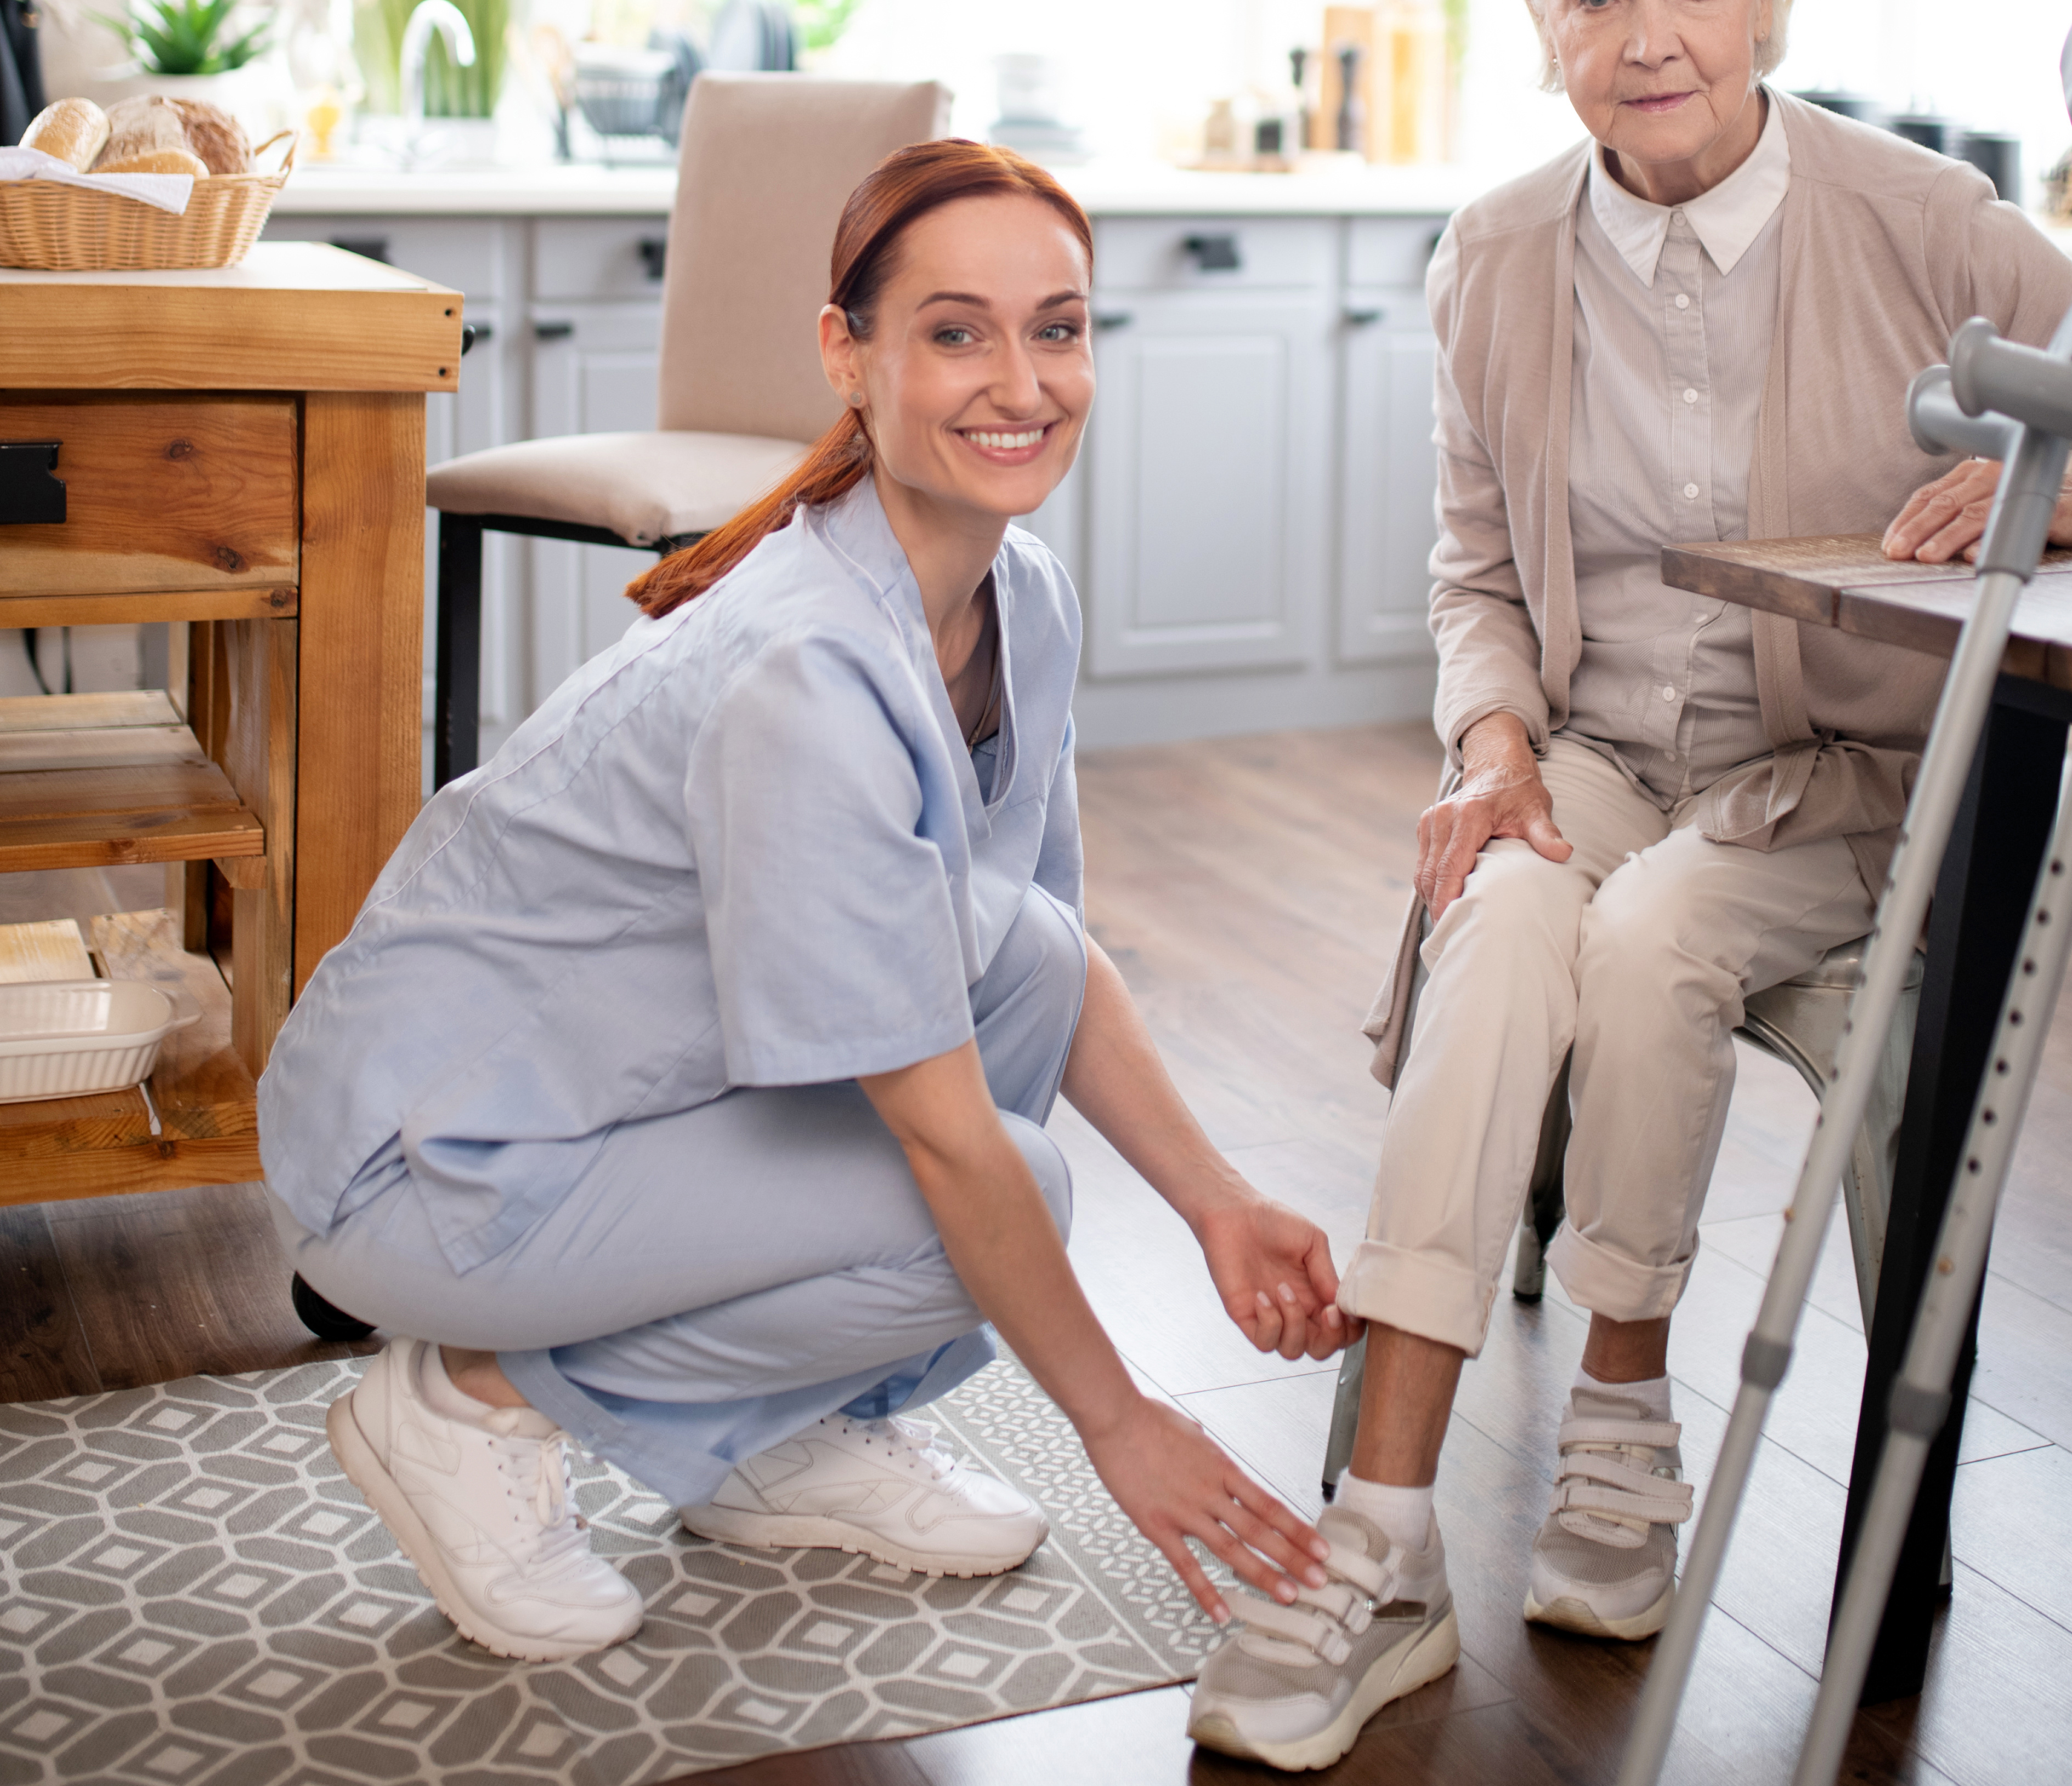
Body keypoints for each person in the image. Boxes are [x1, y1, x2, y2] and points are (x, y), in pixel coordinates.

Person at [1187, 0, 2072, 1773]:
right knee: (1511, 909)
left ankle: (1621, 1415)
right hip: (1594, 754)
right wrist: (1493, 747)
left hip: (1838, 779)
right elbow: (1472, 571)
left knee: (1658, 924)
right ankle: (1385, 1540)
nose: (1651, 33)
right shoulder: (1498, 251)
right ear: (1543, 32)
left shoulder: (1926, 217)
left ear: (1771, 3)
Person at [262, 139, 1354, 1666]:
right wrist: (1122, 1422)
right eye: (956, 332)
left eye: (1057, 327)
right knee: (1003, 1191)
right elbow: (947, 1138)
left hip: (609, 1101)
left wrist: (1221, 1203)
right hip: (426, 1163)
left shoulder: (1016, 597)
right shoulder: (801, 674)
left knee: (1023, 960)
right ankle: (464, 1408)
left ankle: (781, 1432)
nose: (1020, 382)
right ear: (849, 355)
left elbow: (1050, 952)